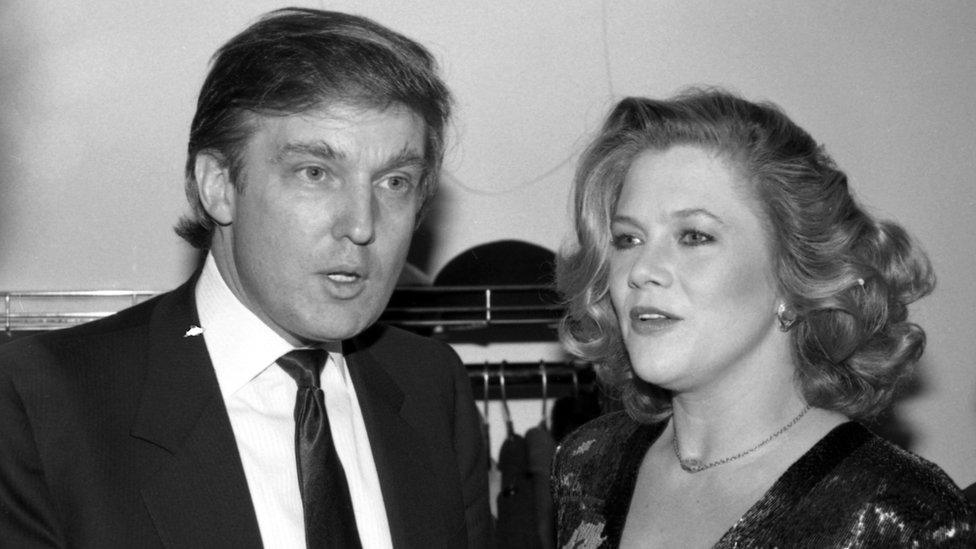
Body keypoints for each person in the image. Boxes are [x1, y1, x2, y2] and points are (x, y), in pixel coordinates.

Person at [0, 8, 491, 548]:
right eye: (315, 173)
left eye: (394, 181)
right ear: (219, 185)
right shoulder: (44, 400)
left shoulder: (429, 386)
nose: (361, 224)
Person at [551, 89, 975, 547]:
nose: (641, 272)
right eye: (627, 239)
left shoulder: (899, 514)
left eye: (694, 236)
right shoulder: (587, 465)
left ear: (792, 276)